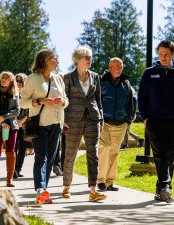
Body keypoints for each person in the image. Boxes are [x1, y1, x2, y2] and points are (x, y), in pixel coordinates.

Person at [138, 40, 174, 203]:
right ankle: (166, 187)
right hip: (154, 121)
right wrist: (145, 116)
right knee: (160, 154)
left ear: (172, 54)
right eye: (161, 54)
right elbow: (141, 96)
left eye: (166, 54)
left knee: (169, 156)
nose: (163, 57)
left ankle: (160, 190)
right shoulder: (149, 73)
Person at [20, 49, 68, 204]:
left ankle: (43, 192)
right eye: (55, 58)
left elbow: (66, 100)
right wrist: (40, 101)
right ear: (46, 60)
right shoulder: (33, 79)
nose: (57, 61)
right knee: (42, 156)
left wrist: (62, 101)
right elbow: (22, 102)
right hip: (39, 123)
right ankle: (40, 189)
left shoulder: (58, 79)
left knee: (51, 158)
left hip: (56, 123)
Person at [62, 45, 106, 202]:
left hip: (93, 119)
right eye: (86, 57)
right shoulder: (68, 77)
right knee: (70, 153)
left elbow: (98, 100)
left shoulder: (95, 76)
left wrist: (101, 119)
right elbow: (64, 100)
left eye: (90, 57)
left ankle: (93, 190)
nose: (90, 60)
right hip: (72, 119)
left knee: (93, 154)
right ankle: (66, 186)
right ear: (78, 59)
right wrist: (63, 120)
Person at [97, 57, 136, 191]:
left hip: (120, 123)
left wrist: (128, 120)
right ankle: (101, 180)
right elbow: (96, 101)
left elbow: (132, 102)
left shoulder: (126, 83)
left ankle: (110, 182)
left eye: (121, 66)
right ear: (109, 68)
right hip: (104, 122)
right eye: (116, 66)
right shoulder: (101, 82)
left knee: (114, 152)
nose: (119, 69)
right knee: (104, 147)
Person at [0, 71, 20, 187]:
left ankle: (9, 179)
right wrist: (1, 121)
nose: (3, 80)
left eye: (6, 78)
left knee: (11, 151)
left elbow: (17, 111)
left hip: (12, 126)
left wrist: (4, 117)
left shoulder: (15, 94)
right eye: (2, 78)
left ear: (11, 80)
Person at [13, 73, 31, 178]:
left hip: (24, 125)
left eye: (21, 81)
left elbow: (31, 110)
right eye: (17, 81)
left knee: (23, 147)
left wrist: (22, 121)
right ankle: (13, 169)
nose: (19, 84)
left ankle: (18, 169)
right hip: (13, 124)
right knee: (13, 148)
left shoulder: (28, 95)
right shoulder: (13, 94)